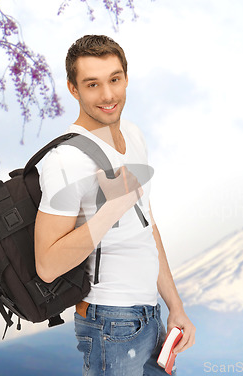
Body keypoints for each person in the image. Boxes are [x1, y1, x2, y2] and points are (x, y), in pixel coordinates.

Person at [34, 35, 195, 375]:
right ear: (73, 89)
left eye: (115, 79)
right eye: (92, 84)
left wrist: (175, 306)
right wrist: (112, 207)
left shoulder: (134, 136)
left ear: (125, 78)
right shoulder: (67, 160)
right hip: (109, 322)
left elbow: (146, 227)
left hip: (148, 315)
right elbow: (47, 264)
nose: (108, 95)